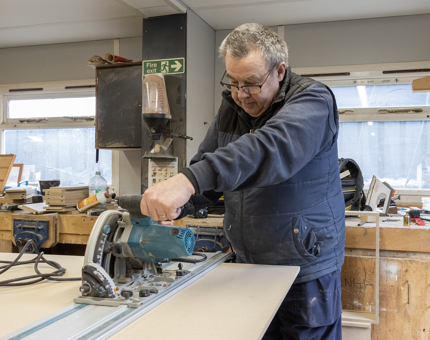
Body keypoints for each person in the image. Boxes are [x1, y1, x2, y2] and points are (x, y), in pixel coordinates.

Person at [140, 23, 345, 339]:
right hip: (248, 266)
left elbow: (268, 149)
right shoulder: (231, 108)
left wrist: (187, 181)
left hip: (304, 272)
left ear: (279, 71)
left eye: (250, 83)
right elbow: (208, 177)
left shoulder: (313, 101)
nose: (240, 94)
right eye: (232, 82)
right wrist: (178, 204)